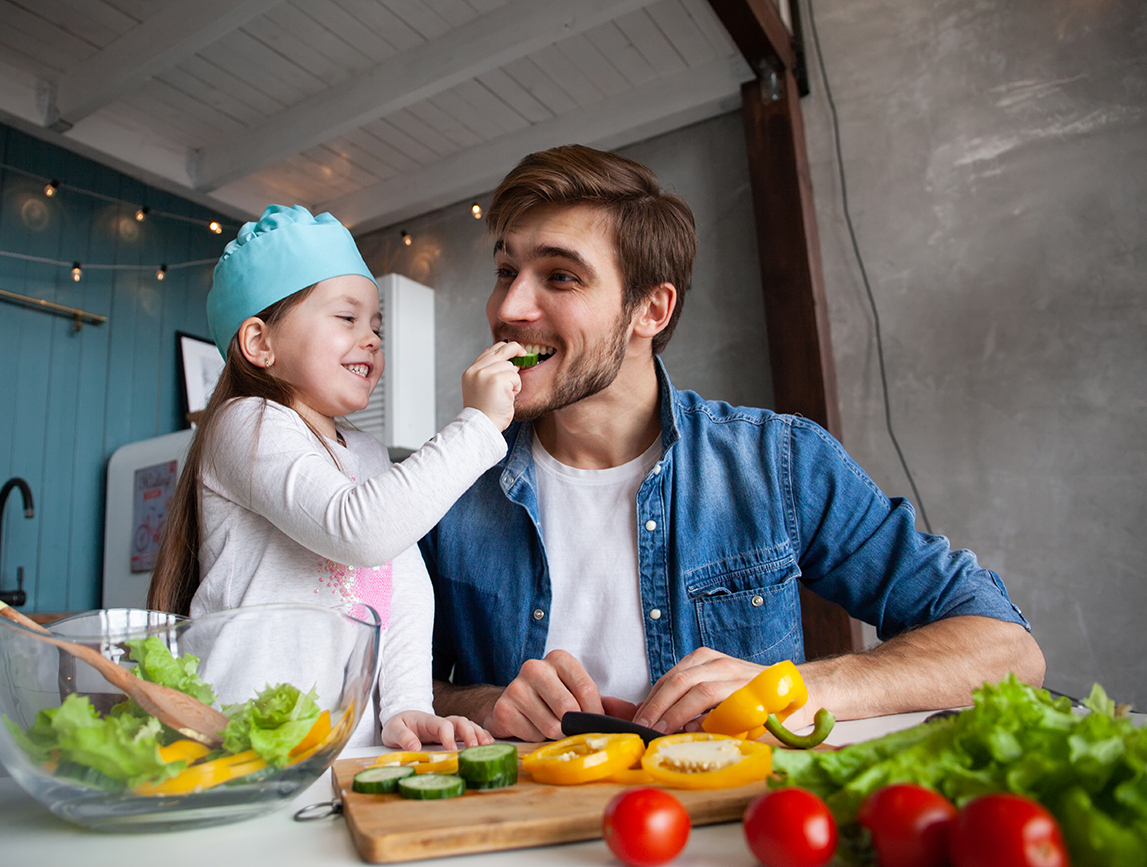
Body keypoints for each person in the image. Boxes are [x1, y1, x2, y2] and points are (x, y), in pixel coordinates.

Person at [423, 145, 1046, 742]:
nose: (509, 305)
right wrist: (480, 702)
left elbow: (1004, 647)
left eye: (560, 276)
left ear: (651, 310)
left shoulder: (779, 462)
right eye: (507, 270)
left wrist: (788, 688)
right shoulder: (442, 487)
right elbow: (385, 683)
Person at [147, 204, 525, 750]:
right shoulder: (244, 424)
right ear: (260, 342)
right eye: (346, 319)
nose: (372, 338)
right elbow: (360, 531)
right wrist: (478, 426)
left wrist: (406, 705)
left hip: (346, 748)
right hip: (243, 743)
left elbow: (406, 594)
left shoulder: (368, 454)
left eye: (376, 325)